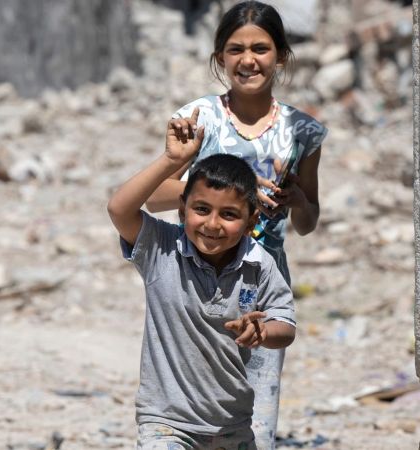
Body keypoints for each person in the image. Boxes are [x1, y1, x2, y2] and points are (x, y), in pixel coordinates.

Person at [145, 2, 328, 447]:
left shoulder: (303, 132)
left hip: (261, 286)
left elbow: (308, 223)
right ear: (219, 59)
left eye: (261, 49)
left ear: (281, 56)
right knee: (186, 414)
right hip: (194, 281)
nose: (249, 60)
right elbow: (154, 195)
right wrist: (217, 193)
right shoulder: (197, 120)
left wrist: (298, 200)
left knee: (254, 422)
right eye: (236, 49)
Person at [107, 108, 296, 450]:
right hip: (166, 424)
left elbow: (286, 325)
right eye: (201, 210)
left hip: (232, 425)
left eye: (229, 214)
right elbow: (120, 209)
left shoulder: (259, 264)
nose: (212, 224)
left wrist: (264, 331)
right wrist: (170, 160)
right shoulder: (161, 248)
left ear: (252, 218)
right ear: (182, 210)